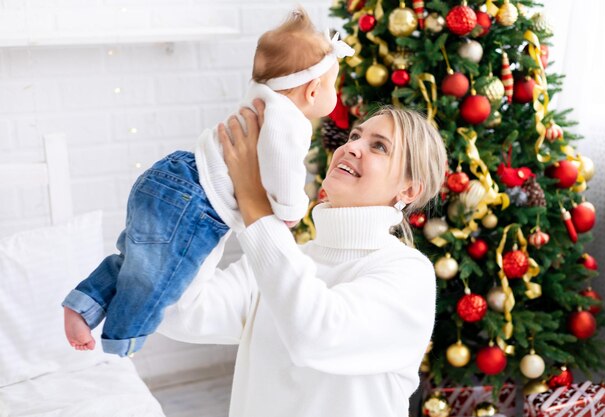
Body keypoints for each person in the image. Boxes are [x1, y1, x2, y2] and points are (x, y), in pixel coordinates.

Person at [62, 8, 355, 356]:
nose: (334, 93)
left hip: (171, 173)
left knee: (138, 260)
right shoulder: (290, 121)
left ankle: (85, 303)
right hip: (194, 202)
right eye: (332, 85)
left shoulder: (259, 96)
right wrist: (291, 209)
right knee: (158, 277)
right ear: (312, 91)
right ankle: (121, 342)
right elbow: (283, 168)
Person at [157, 101, 448, 416]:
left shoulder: (407, 274)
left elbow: (315, 335)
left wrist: (254, 202)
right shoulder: (286, 258)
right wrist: (223, 208)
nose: (352, 147)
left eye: (379, 146)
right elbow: (179, 311)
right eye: (354, 136)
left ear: (408, 191)